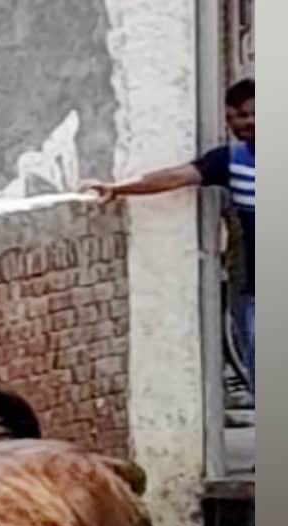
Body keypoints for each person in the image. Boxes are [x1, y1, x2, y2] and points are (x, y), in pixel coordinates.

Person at [83, 78, 255, 400]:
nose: (243, 124)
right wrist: (117, 189)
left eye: (250, 114)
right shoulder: (228, 160)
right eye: (235, 117)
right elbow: (175, 177)